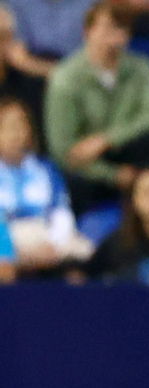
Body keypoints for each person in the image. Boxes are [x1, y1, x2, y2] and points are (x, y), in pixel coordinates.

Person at [45, 0, 149, 215]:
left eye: (122, 29)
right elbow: (64, 151)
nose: (114, 38)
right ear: (87, 32)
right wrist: (113, 175)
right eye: (108, 28)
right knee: (74, 175)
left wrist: (107, 139)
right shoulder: (65, 79)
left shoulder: (140, 68)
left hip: (125, 150)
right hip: (92, 168)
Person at [0, 96, 87, 274]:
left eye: (21, 126)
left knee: (84, 254)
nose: (16, 134)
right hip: (7, 239)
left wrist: (53, 244)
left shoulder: (46, 170)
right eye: (8, 127)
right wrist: (12, 253)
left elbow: (61, 212)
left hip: (43, 235)